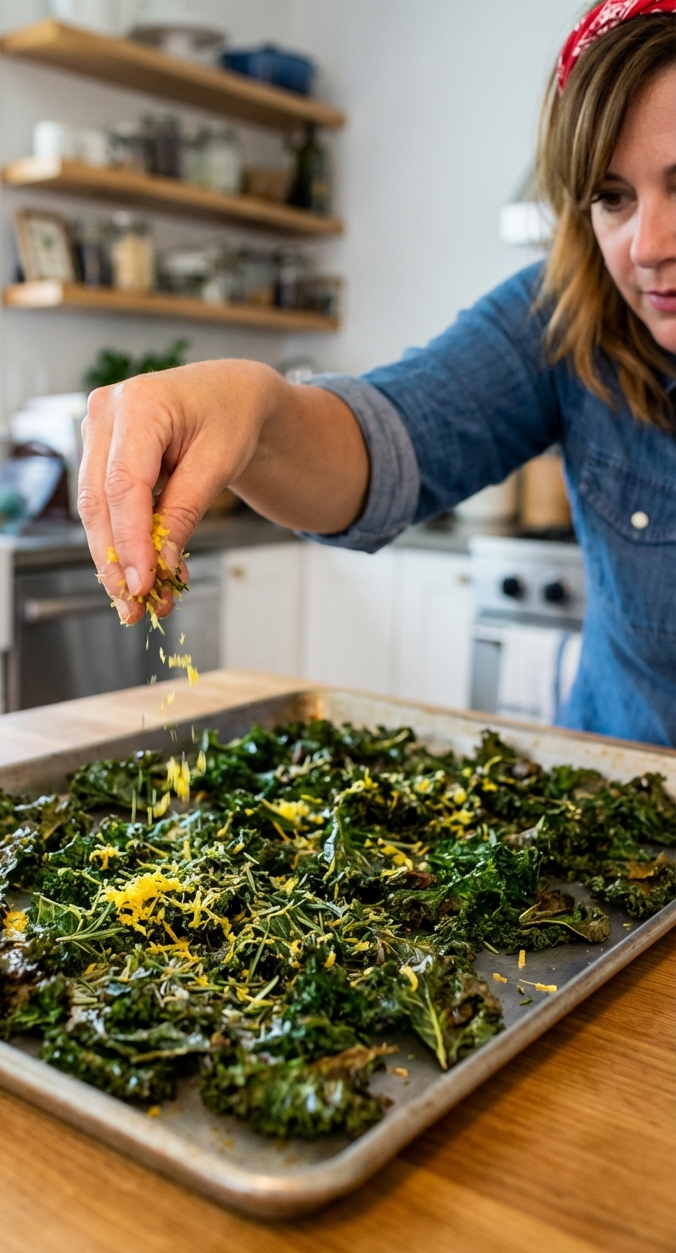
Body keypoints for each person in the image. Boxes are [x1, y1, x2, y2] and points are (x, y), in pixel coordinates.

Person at [79, 1, 676, 747]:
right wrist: (258, 409)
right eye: (612, 198)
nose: (647, 246)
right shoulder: (565, 316)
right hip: (621, 798)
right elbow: (385, 443)